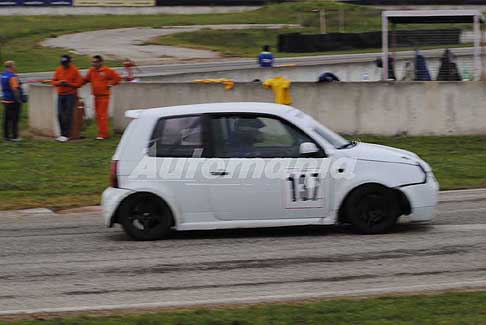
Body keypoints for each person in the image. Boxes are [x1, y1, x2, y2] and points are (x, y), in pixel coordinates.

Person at [83, 55, 121, 140]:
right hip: (96, 96)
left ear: (101, 62)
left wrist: (110, 84)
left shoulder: (107, 71)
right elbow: (85, 80)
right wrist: (75, 84)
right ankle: (101, 133)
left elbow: (117, 78)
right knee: (99, 115)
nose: (93, 64)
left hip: (104, 96)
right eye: (93, 62)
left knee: (102, 115)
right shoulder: (91, 71)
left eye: (95, 62)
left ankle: (104, 134)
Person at [51, 55, 83, 142]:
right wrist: (59, 83)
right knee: (60, 114)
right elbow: (53, 81)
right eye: (63, 63)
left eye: (65, 63)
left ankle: (66, 134)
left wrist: (69, 84)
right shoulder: (59, 69)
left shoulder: (75, 70)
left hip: (70, 95)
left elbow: (79, 83)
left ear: (69, 62)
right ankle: (62, 134)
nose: (64, 65)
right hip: (61, 95)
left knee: (68, 114)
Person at [1, 61, 22, 142]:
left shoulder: (2, 75)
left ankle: (6, 136)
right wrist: (18, 100)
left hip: (5, 100)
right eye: (14, 65)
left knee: (6, 119)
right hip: (13, 101)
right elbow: (15, 89)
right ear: (11, 66)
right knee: (14, 119)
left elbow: (3, 87)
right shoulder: (12, 76)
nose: (15, 67)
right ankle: (15, 137)